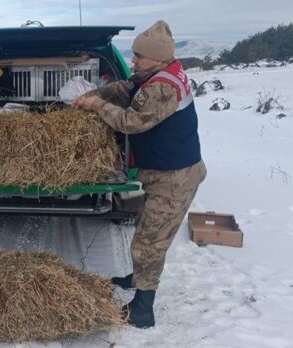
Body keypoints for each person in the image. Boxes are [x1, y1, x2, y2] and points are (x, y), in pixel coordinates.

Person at [73, 20, 207, 329]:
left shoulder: (163, 87)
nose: (133, 61)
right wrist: (95, 94)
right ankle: (137, 278)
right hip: (165, 172)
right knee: (146, 229)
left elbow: (131, 122)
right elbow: (125, 88)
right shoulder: (157, 74)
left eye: (138, 57)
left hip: (176, 177)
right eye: (133, 55)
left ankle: (143, 308)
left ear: (158, 58)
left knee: (150, 242)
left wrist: (96, 106)